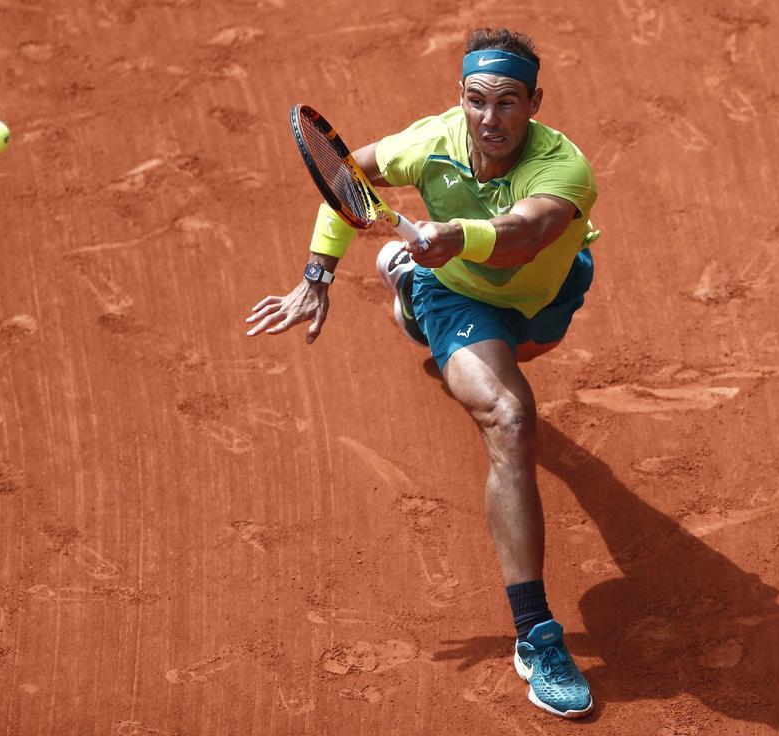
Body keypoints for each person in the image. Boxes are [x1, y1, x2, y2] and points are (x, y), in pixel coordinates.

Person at [244, 27, 599, 719]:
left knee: (526, 355)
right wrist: (317, 273)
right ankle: (536, 632)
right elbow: (345, 178)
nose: (490, 120)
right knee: (510, 416)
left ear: (536, 104)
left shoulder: (566, 169)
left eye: (507, 103)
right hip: (462, 295)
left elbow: (524, 236)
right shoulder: (427, 143)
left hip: (547, 291)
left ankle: (406, 287)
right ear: (459, 99)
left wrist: (456, 234)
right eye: (475, 101)